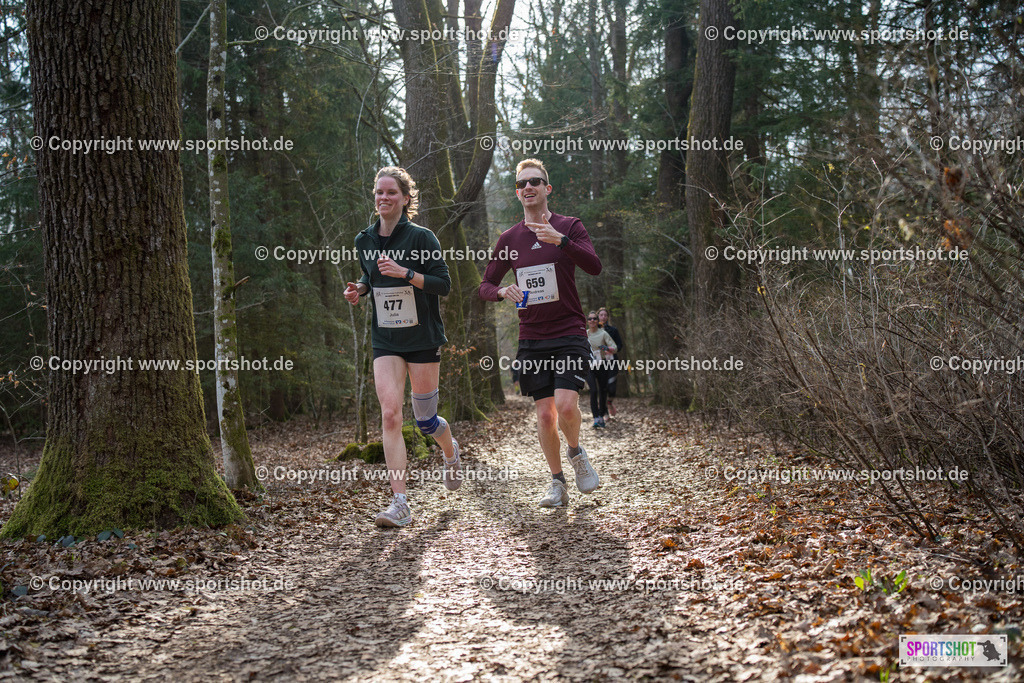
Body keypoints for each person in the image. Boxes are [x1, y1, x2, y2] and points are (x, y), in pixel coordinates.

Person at [478, 158, 602, 508]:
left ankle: (577, 453)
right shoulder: (509, 238)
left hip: (569, 330)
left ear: (547, 188)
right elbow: (485, 285)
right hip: (532, 336)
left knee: (565, 406)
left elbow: (594, 266)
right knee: (545, 414)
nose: (528, 187)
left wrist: (562, 241)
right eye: (521, 184)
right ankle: (557, 482)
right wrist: (502, 291)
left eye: (535, 181)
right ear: (518, 193)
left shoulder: (569, 226)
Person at [344, 167, 462, 528]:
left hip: (423, 339)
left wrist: (406, 273)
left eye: (391, 192)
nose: (383, 198)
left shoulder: (422, 238)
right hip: (387, 339)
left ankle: (450, 450)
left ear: (405, 199)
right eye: (378, 192)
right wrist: (360, 290)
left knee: (425, 421)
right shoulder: (363, 239)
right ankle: (400, 503)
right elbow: (369, 275)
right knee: (391, 414)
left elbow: (444, 284)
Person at [585, 311, 616, 428]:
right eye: (590, 319)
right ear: (587, 321)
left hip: (602, 364)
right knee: (593, 390)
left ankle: (602, 415)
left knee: (603, 390)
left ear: (598, 321)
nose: (592, 321)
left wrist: (607, 348)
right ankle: (596, 418)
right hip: (589, 366)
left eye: (594, 319)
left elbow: (615, 347)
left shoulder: (603, 334)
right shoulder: (584, 334)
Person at [597, 307, 625, 418]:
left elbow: (620, 345)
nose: (603, 317)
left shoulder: (613, 330)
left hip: (612, 361)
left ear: (608, 317)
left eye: (605, 315)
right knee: (602, 387)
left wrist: (612, 349)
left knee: (612, 387)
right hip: (599, 362)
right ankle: (604, 412)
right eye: (601, 315)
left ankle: (609, 402)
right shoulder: (594, 331)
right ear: (598, 316)